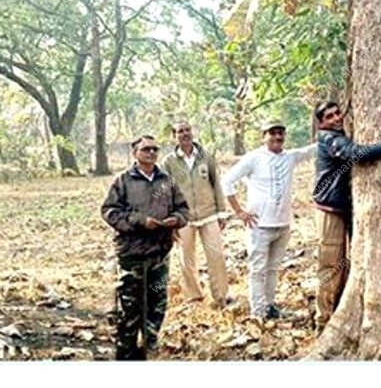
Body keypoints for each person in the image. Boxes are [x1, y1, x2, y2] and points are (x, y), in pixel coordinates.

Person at [312, 101, 381, 331]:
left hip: (344, 208)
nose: (337, 118)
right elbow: (356, 154)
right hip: (329, 210)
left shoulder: (339, 136)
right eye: (329, 116)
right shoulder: (330, 139)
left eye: (338, 113)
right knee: (331, 266)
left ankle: (338, 309)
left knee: (348, 263)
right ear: (321, 123)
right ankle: (323, 321)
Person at [101, 135, 189, 360]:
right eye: (145, 149)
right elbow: (109, 211)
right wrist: (140, 221)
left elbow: (183, 209)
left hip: (160, 254)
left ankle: (150, 344)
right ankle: (126, 352)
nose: (151, 153)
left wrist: (176, 219)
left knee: (157, 301)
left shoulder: (166, 180)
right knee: (130, 305)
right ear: (135, 153)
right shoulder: (123, 181)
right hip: (132, 254)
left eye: (154, 149)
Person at [221, 119, 317, 320]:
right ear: (263, 136)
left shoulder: (290, 157)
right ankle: (258, 313)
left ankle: (270, 307)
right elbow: (227, 181)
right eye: (272, 133)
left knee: (273, 269)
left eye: (281, 132)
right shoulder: (254, 158)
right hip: (259, 225)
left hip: (282, 224)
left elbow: (312, 150)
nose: (277, 137)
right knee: (258, 270)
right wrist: (239, 211)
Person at [160, 121, 231, 308]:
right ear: (174, 136)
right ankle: (193, 297)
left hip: (209, 214)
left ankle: (220, 296)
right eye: (180, 131)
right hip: (183, 218)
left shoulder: (206, 156)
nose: (185, 134)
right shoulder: (169, 162)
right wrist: (170, 221)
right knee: (186, 258)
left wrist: (222, 212)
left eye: (187, 130)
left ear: (192, 132)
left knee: (216, 255)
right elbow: (165, 193)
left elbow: (216, 184)